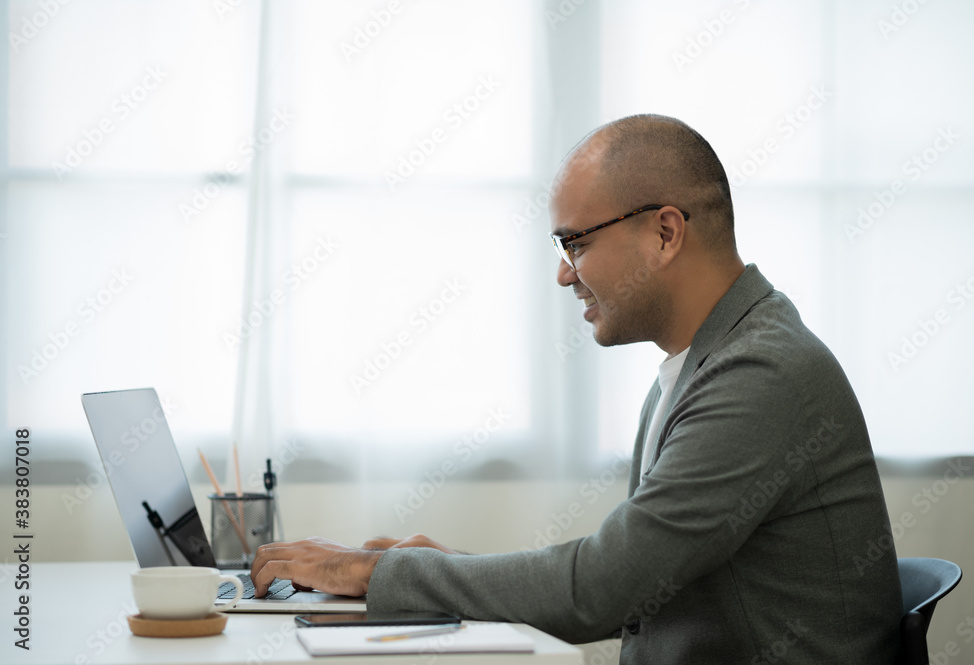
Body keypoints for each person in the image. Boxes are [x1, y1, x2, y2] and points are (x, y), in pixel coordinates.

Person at [251, 115, 902, 664]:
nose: (564, 275)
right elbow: (631, 575)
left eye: (575, 242)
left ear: (665, 232)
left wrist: (373, 573)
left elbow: (602, 588)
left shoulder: (761, 375)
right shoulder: (703, 363)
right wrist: (454, 572)